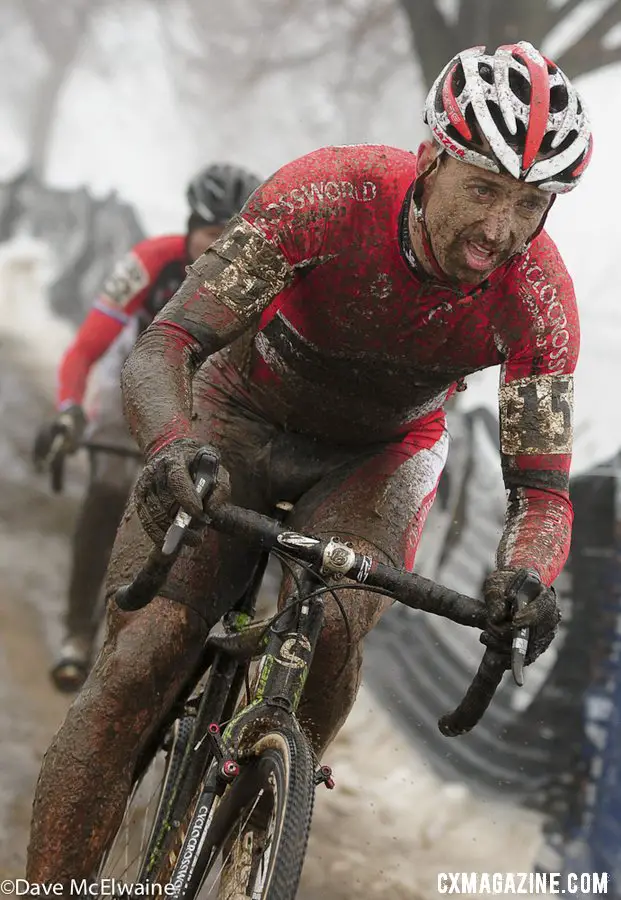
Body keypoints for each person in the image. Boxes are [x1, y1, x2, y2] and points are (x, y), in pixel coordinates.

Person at [27, 41, 593, 882]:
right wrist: (174, 445)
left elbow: (541, 491)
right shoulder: (325, 194)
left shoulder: (538, 300)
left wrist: (526, 576)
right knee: (140, 663)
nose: (499, 228)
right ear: (431, 158)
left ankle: (257, 813)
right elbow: (169, 345)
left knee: (330, 631)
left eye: (528, 203)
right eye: (482, 188)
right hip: (239, 410)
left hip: (378, 456)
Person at [33, 163, 262, 691]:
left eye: (230, 239)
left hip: (212, 402)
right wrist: (69, 408)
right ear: (187, 228)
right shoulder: (150, 261)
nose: (216, 253)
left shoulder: (258, 279)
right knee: (110, 488)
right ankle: (75, 632)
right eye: (209, 236)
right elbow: (86, 349)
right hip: (137, 388)